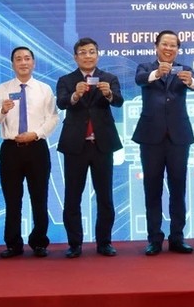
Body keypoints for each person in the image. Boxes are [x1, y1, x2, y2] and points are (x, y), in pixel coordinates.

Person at [132, 30, 194, 256]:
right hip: (150, 137)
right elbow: (140, 80)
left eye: (173, 46)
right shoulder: (145, 67)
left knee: (178, 188)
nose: (169, 48)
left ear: (178, 49)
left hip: (178, 137)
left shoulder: (185, 70)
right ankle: (154, 238)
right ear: (156, 46)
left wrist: (190, 82)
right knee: (152, 189)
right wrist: (155, 73)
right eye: (165, 44)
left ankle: (177, 237)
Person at [56, 37, 124, 258]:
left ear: (98, 54)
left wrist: (109, 94)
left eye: (91, 51)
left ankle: (104, 242)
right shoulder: (66, 79)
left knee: (105, 196)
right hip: (76, 145)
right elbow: (62, 103)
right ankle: (75, 243)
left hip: (102, 145)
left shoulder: (109, 78)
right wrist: (75, 94)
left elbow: (119, 101)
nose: (87, 56)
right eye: (82, 52)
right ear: (75, 57)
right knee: (73, 196)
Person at [0, 46, 58, 258]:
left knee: (40, 197)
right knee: (12, 199)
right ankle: (13, 244)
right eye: (18, 59)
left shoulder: (44, 89)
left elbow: (53, 118)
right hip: (11, 149)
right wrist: (2, 110)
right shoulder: (2, 88)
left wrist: (36, 134)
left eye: (27, 58)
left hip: (36, 147)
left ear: (34, 63)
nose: (23, 62)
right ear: (12, 64)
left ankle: (39, 242)